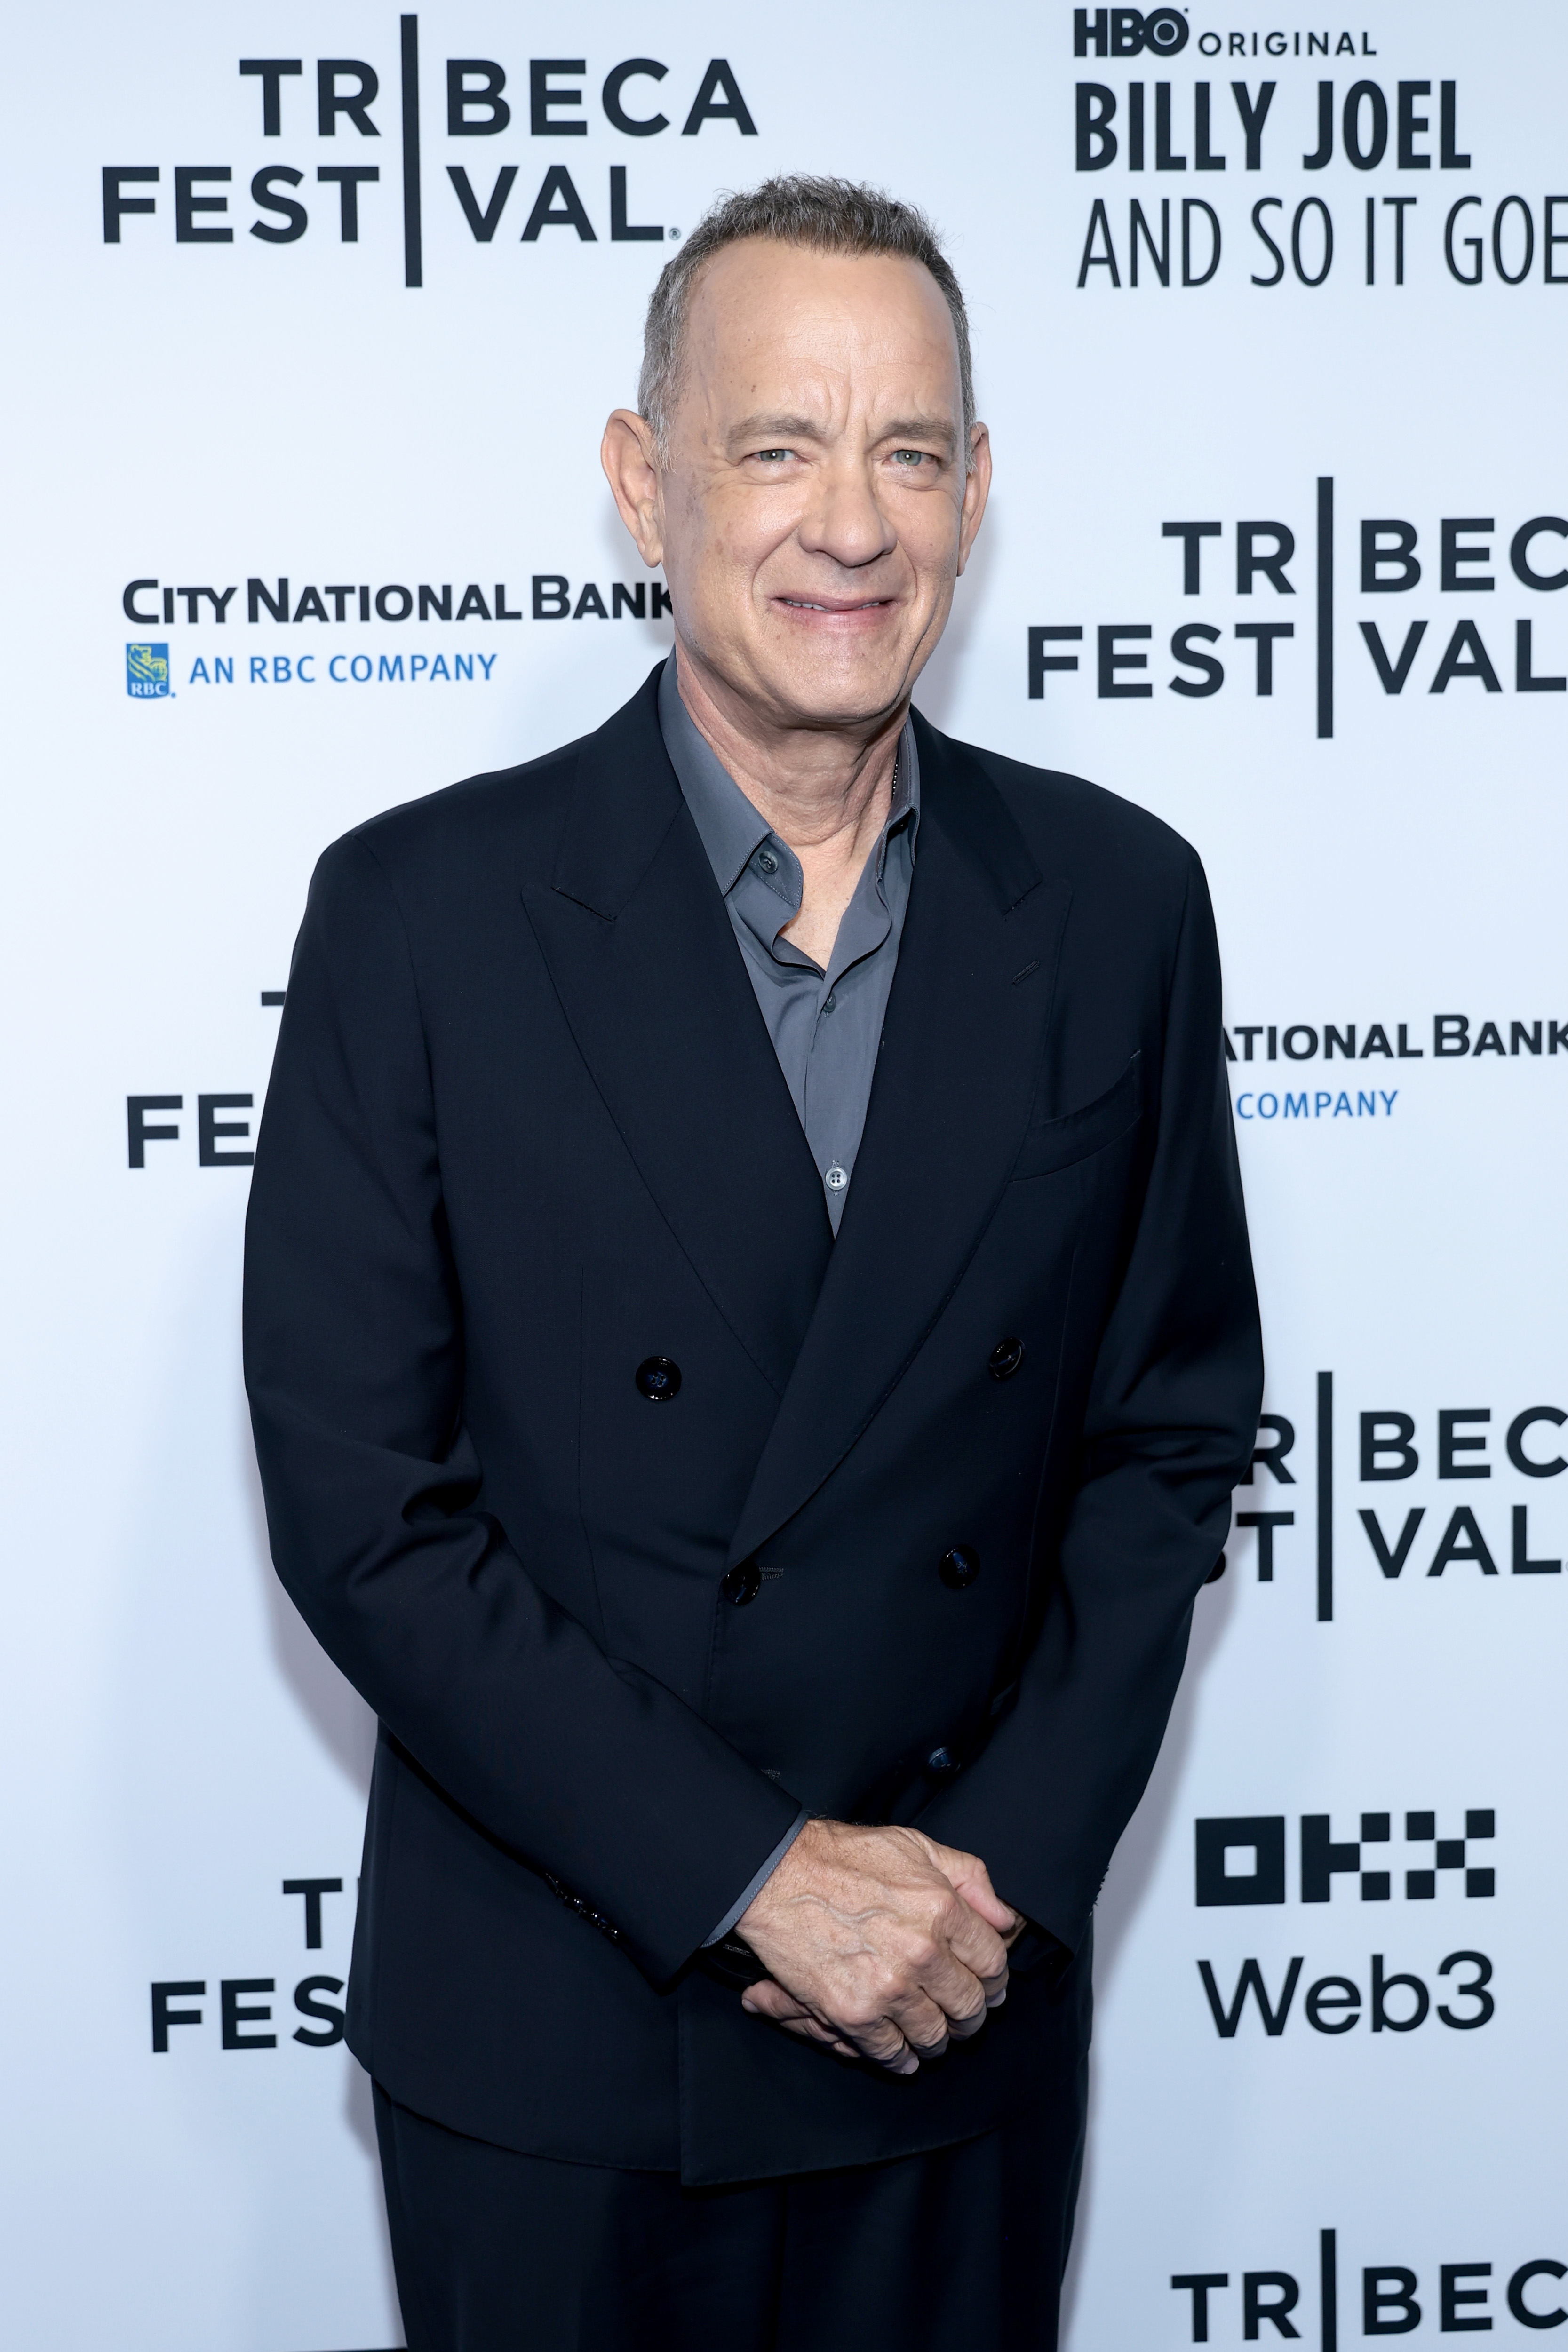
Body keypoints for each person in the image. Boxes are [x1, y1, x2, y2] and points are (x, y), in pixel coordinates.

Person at [244, 175, 1262, 2351]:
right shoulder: (420, 916)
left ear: (978, 491)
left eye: (912, 451)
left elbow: (1167, 1435)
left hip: (952, 2020)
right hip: (563, 2034)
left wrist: (987, 1888)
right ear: (645, 482)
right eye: (777, 446)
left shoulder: (1119, 906)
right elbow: (364, 1506)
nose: (853, 523)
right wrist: (757, 1873)